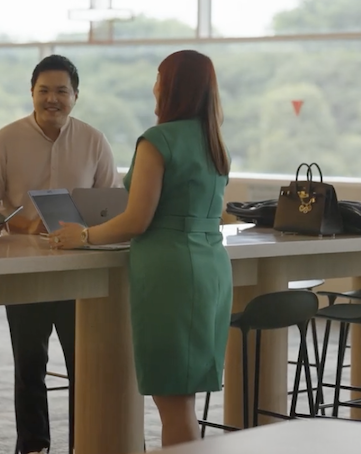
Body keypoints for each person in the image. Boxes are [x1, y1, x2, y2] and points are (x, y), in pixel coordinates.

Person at [48, 49, 231, 448]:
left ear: (171, 87)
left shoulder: (158, 140)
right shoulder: (213, 141)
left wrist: (84, 236)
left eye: (159, 77)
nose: (154, 85)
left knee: (174, 405)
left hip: (170, 274)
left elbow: (137, 219)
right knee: (186, 398)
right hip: (212, 268)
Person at [0, 54, 119, 454]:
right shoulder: (5, 139)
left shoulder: (94, 140)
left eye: (61, 91)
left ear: (76, 95)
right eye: (44, 91)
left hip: (81, 269)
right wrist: (20, 224)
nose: (51, 99)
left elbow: (110, 202)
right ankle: (33, 445)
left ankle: (84, 441)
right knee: (29, 363)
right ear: (32, 93)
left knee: (83, 365)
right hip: (24, 268)